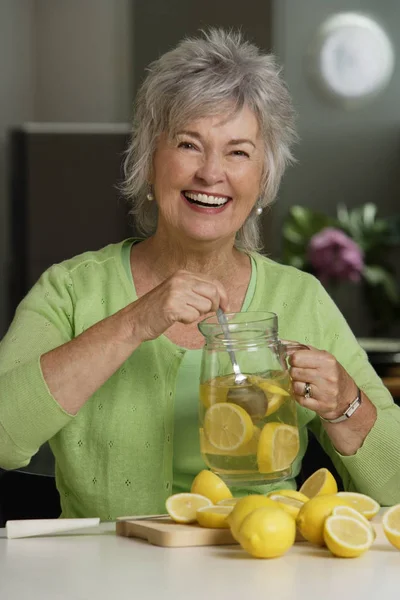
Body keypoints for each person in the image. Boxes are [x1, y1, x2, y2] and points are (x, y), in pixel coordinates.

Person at [0, 29, 399, 521]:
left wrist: (346, 404)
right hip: (108, 580)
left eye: (238, 152)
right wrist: (133, 322)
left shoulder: (300, 298)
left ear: (263, 177)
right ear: (150, 161)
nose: (211, 173)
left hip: (257, 571)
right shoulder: (71, 290)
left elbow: (396, 482)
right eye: (189, 144)